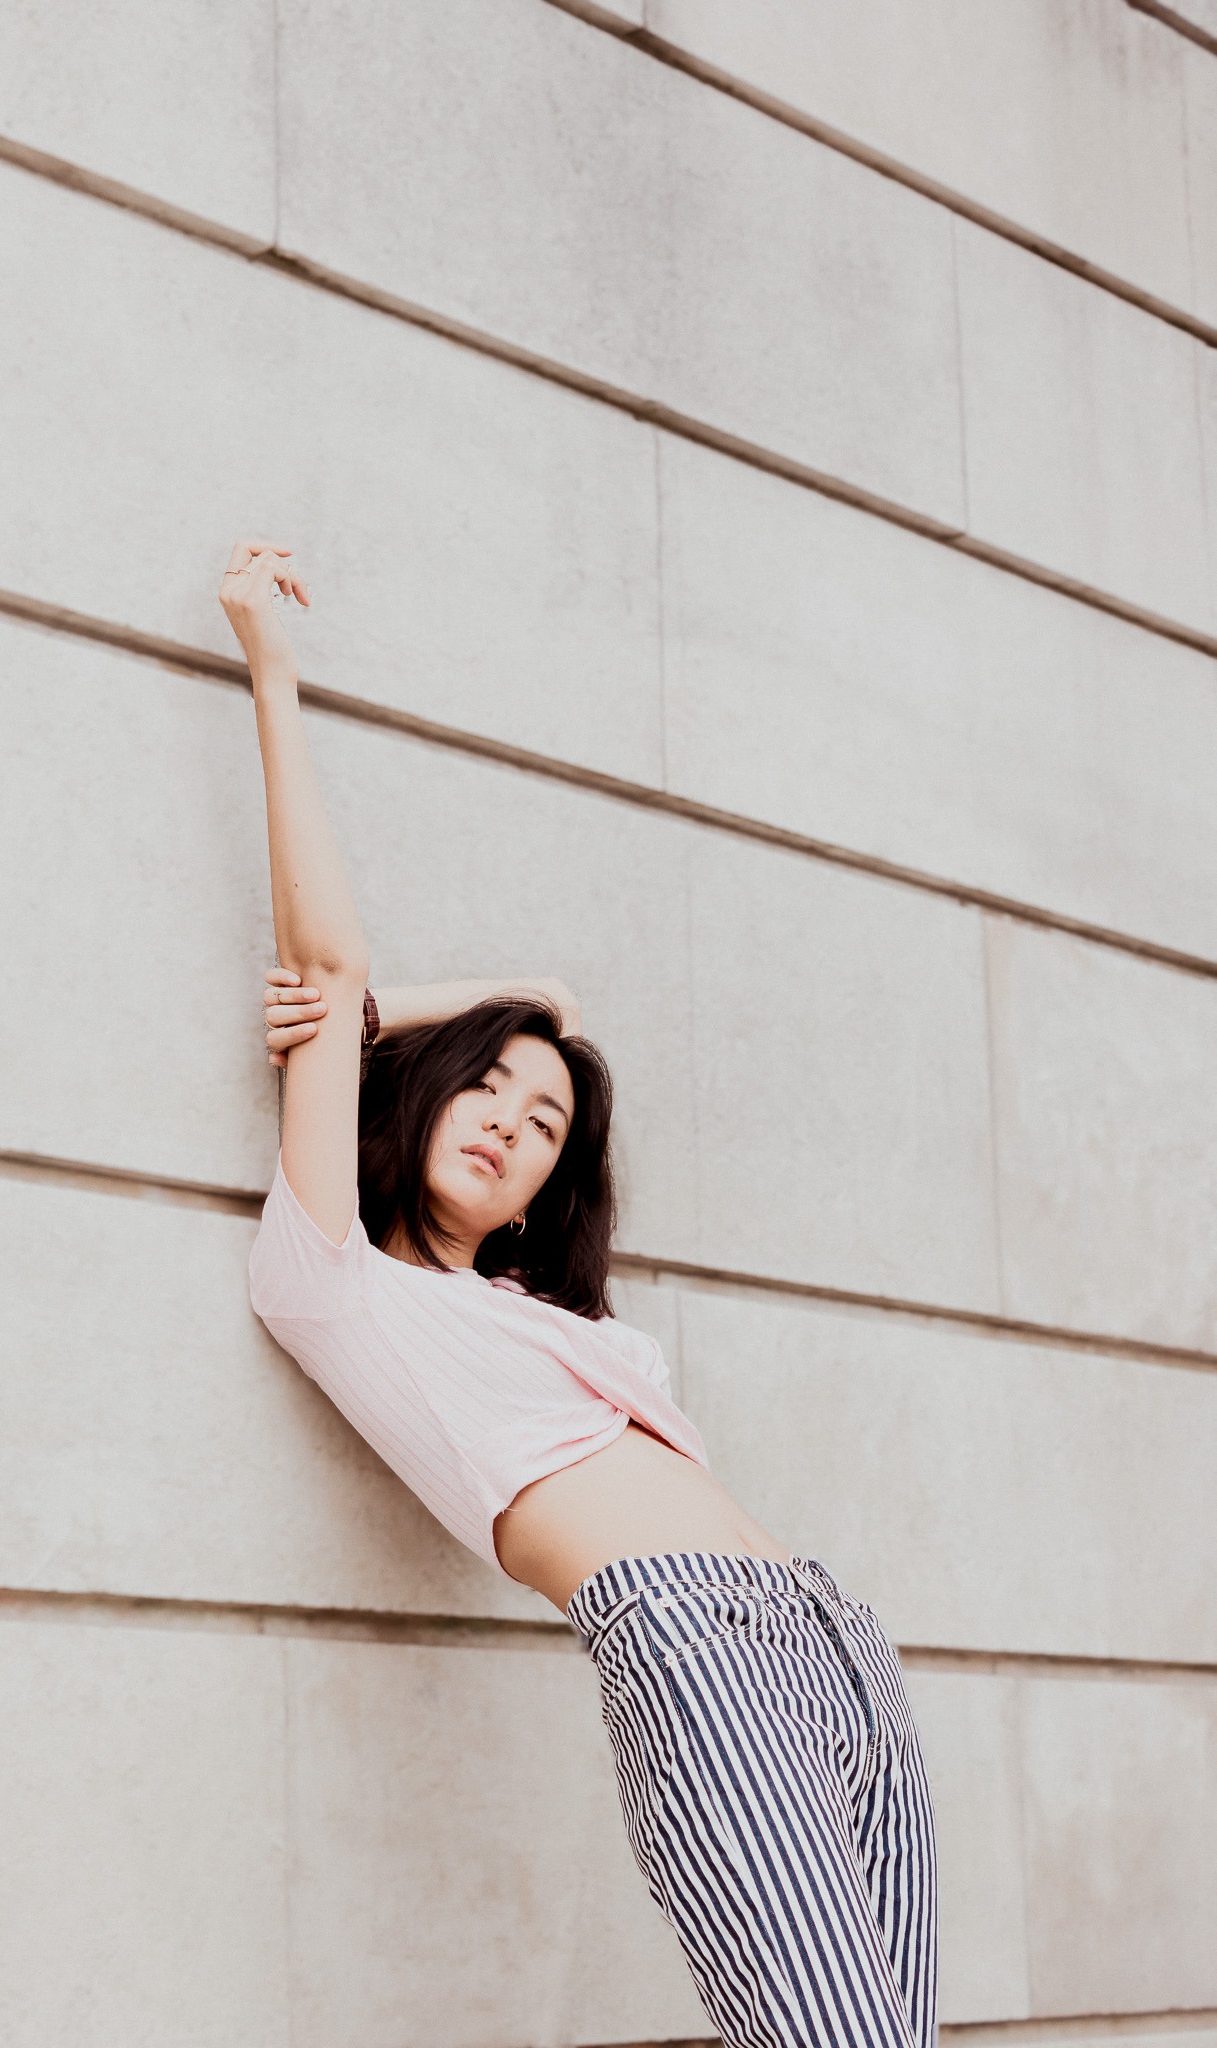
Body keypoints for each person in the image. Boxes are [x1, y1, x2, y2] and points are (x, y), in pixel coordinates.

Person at [222, 536, 938, 2048]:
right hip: (682, 1639)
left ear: (554, 1186)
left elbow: (566, 1002)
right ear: (409, 1099)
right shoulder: (332, 1279)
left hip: (832, 1640)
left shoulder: (569, 1325)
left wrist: (478, 1012)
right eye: (479, 1086)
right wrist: (271, 675)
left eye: (542, 1122)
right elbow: (341, 968)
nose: (505, 1116)